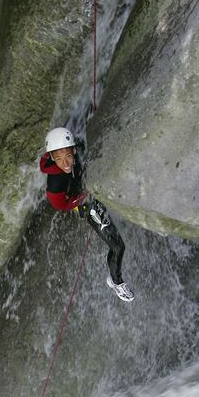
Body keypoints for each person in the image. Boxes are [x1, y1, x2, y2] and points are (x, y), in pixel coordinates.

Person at [40, 126, 134, 301]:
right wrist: (84, 196)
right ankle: (116, 282)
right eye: (59, 159)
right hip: (86, 205)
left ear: (74, 150)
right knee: (118, 247)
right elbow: (62, 206)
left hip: (86, 188)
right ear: (52, 158)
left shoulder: (79, 149)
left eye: (68, 156)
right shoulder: (55, 183)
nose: (66, 163)